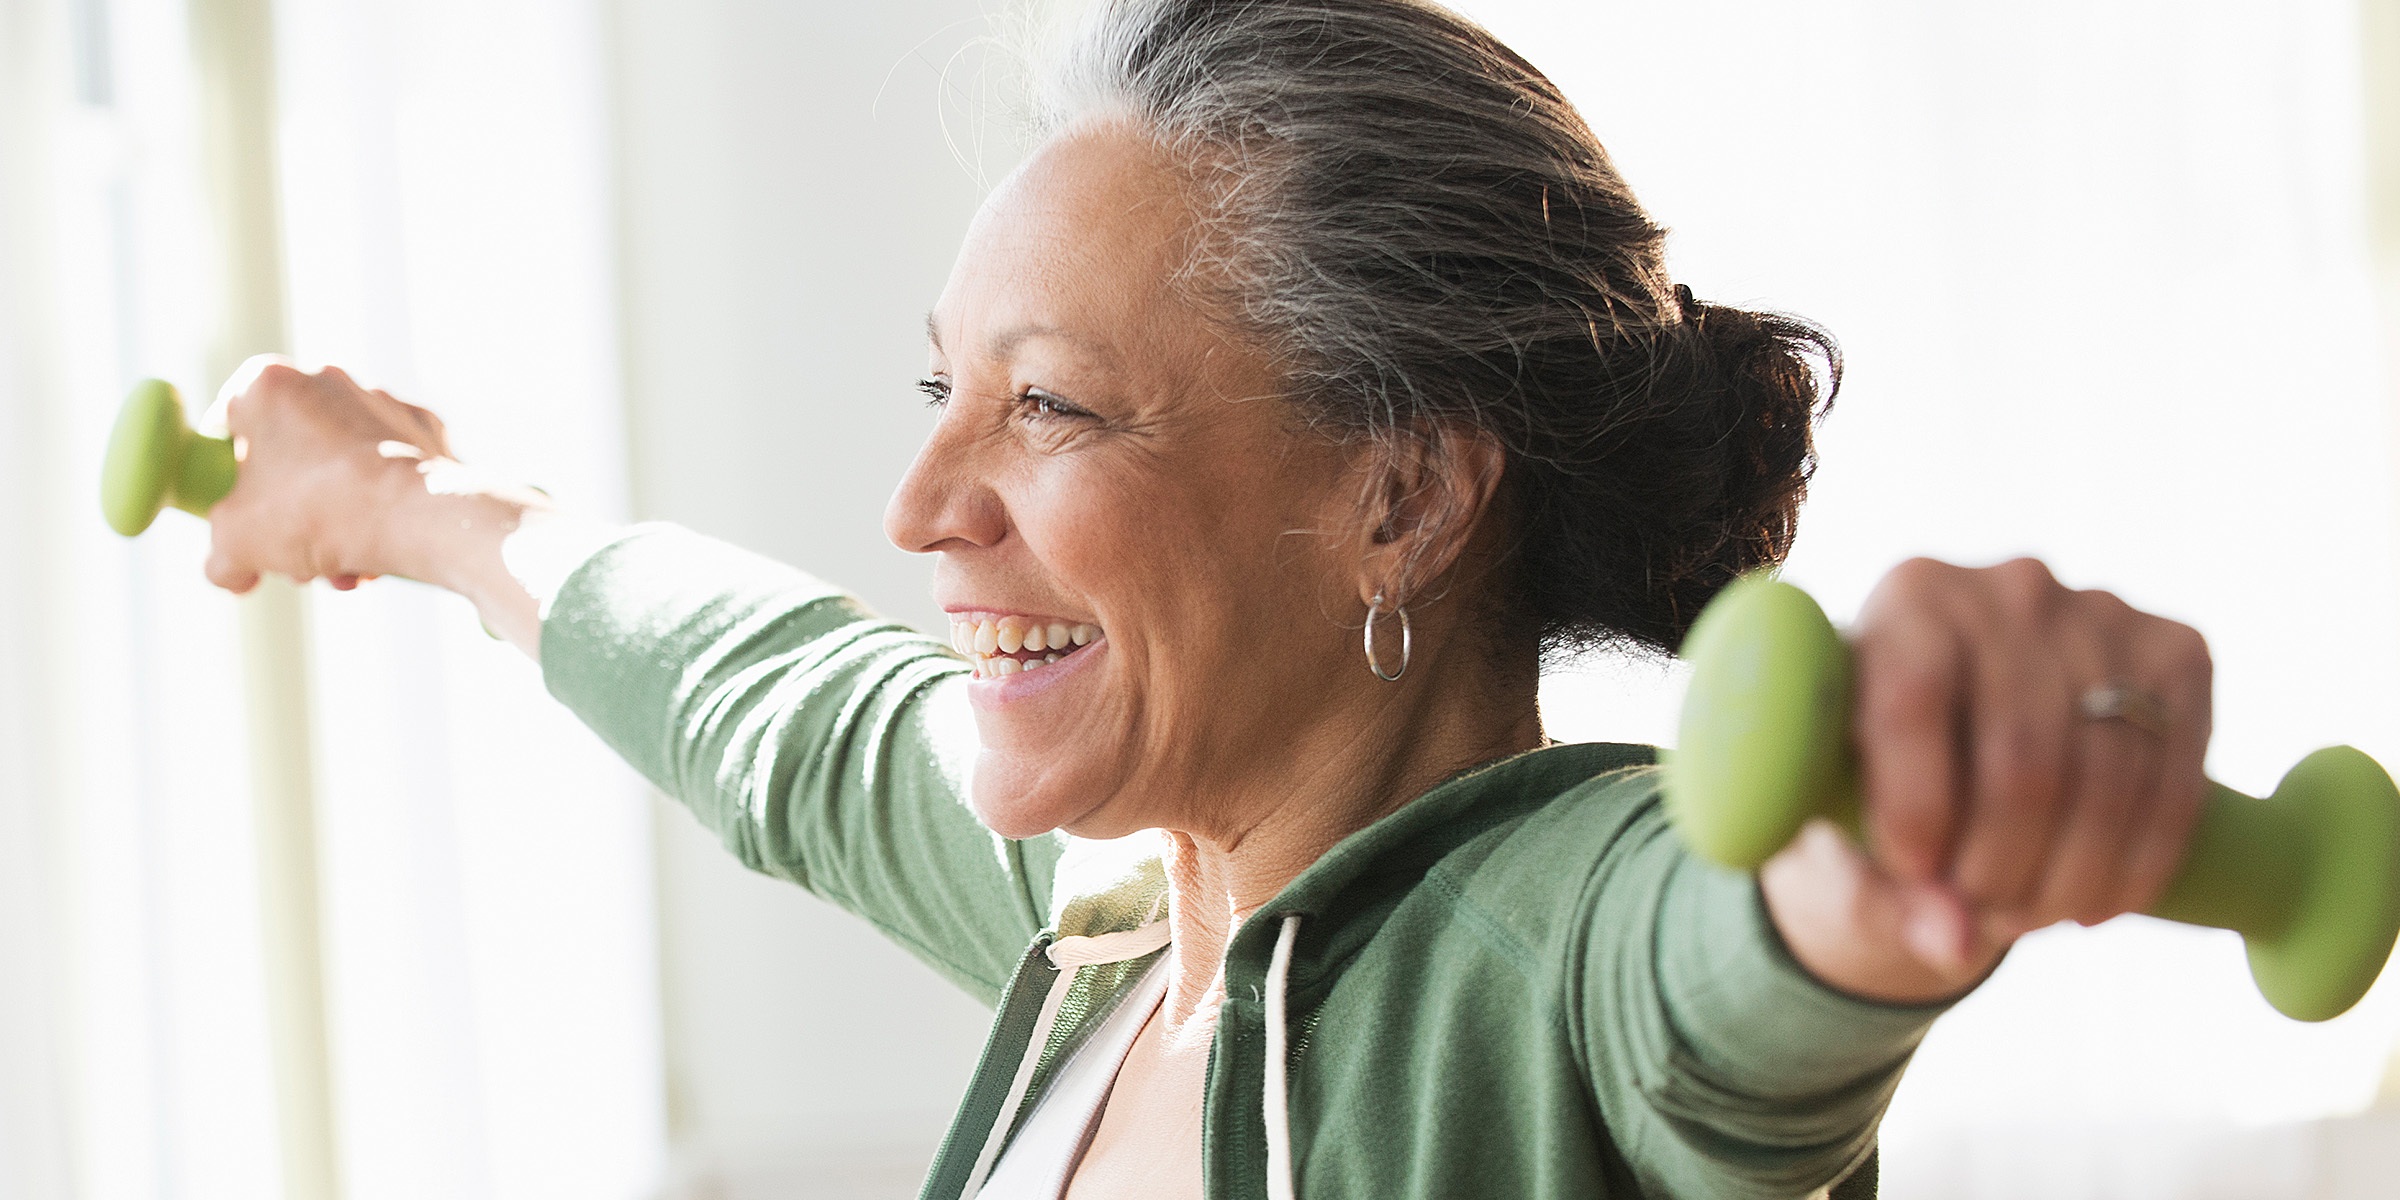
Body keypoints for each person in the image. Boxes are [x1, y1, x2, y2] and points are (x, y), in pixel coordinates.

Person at [196, 1, 2214, 1196]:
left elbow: (1723, 974)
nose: (917, 502)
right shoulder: (1112, 927)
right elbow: (777, 710)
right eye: (941, 391)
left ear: (1400, 492)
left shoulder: (1542, 942)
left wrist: (1894, 862)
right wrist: (414, 505)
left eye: (1050, 408)